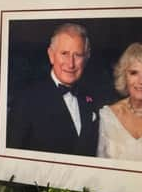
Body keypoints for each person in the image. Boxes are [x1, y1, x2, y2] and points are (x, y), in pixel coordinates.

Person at [6, 23, 98, 156]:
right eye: (64, 53)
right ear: (51, 55)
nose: (70, 63)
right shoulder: (26, 99)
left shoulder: (91, 99)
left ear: (86, 57)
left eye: (78, 55)